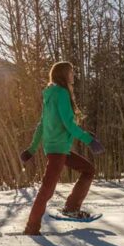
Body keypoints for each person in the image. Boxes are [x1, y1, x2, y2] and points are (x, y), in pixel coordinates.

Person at [20, 62, 104, 235]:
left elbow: (43, 124)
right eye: (71, 72)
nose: (73, 75)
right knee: (47, 189)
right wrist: (89, 140)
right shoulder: (62, 93)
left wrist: (32, 149)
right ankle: (32, 227)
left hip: (57, 148)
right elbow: (68, 125)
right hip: (58, 150)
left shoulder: (50, 94)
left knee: (88, 170)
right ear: (63, 74)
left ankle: (71, 208)